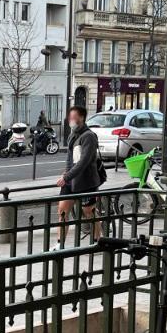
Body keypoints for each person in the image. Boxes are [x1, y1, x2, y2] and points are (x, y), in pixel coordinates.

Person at [55, 105, 103, 245]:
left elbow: (84, 162)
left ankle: (97, 241)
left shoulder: (88, 136)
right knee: (62, 212)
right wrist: (66, 174)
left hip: (86, 182)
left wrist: (66, 176)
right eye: (69, 117)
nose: (70, 119)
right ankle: (60, 244)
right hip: (70, 181)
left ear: (81, 117)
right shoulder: (73, 135)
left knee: (89, 212)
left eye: (73, 117)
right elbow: (70, 159)